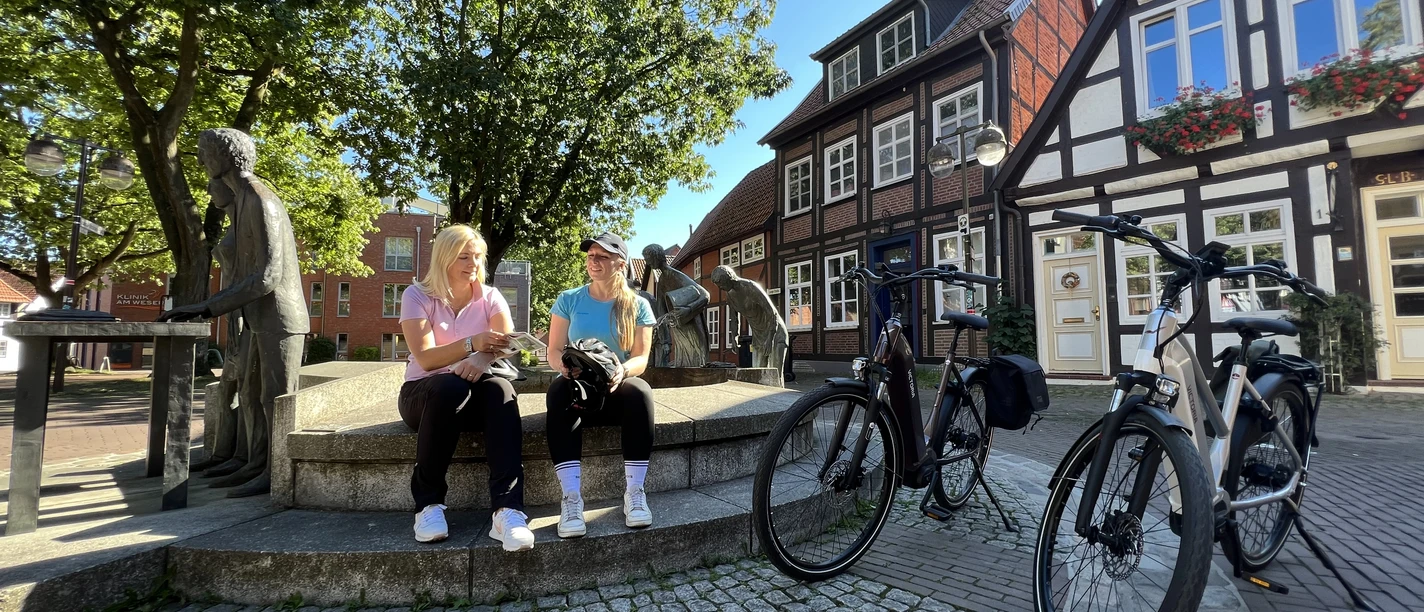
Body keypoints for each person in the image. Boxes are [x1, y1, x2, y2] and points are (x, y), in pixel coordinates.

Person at [397, 224, 533, 551]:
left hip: (474, 396)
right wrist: (472, 344)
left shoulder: (490, 297)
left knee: (500, 390)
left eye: (477, 256)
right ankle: (428, 505)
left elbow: (505, 344)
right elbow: (427, 360)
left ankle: (508, 510)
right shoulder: (416, 296)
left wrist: (482, 359)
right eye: (464, 256)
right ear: (444, 257)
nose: (473, 263)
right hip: (425, 397)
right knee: (448, 386)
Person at [546, 232, 658, 538]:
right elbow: (553, 350)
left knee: (640, 391)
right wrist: (564, 368)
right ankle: (571, 498)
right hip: (577, 389)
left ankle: (634, 493)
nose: (593, 261)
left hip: (614, 388)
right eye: (590, 256)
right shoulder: (568, 300)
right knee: (557, 390)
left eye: (602, 256)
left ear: (620, 263)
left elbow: (641, 358)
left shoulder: (638, 305)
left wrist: (622, 371)